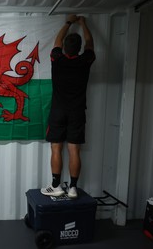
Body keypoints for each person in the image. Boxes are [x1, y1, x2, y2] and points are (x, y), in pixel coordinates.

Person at [41, 15, 95, 199]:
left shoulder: (57, 59)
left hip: (58, 111)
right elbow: (89, 42)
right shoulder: (85, 60)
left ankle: (56, 185)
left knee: (56, 148)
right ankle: (72, 188)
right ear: (79, 49)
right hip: (77, 112)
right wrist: (83, 23)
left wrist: (68, 23)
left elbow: (56, 41)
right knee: (74, 150)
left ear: (64, 48)